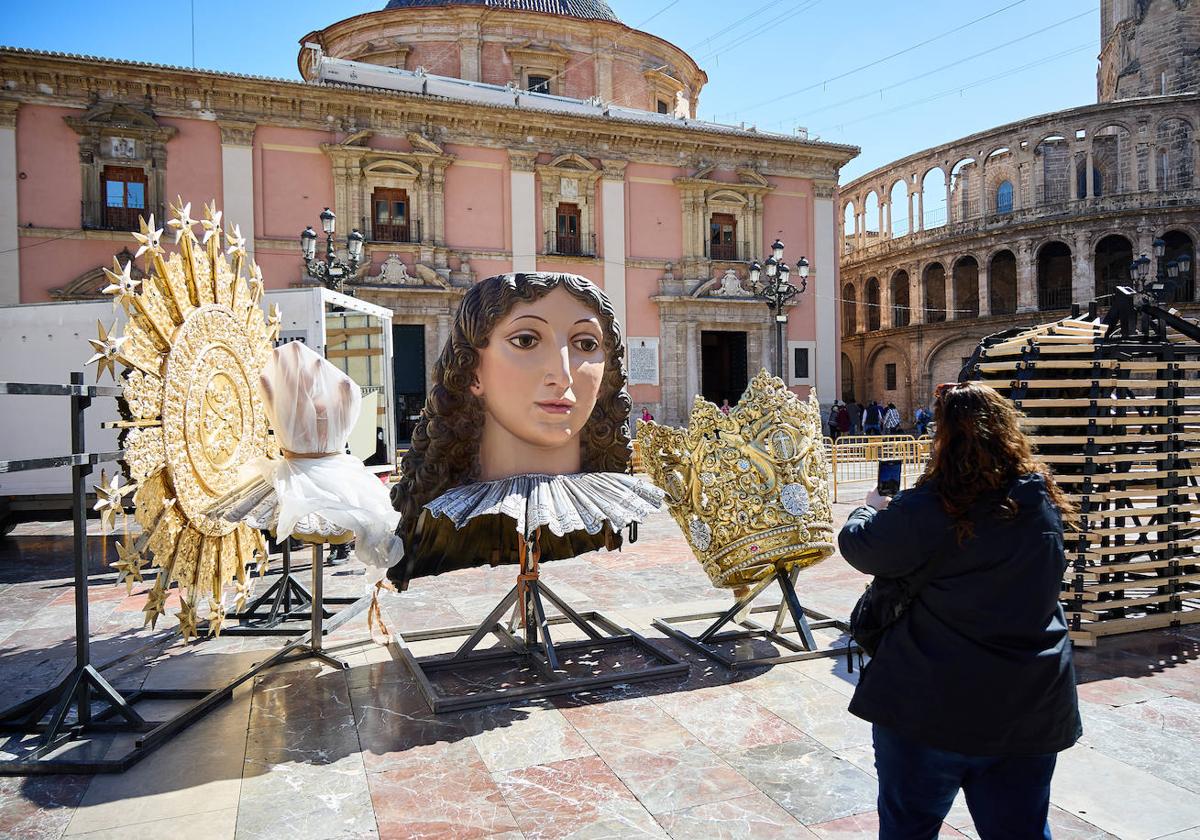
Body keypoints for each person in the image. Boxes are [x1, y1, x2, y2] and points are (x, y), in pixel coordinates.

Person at [838, 382, 1080, 839]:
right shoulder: (1039, 502)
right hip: (1025, 703)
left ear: (942, 439)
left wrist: (865, 511)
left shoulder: (932, 507)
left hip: (930, 705)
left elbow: (860, 547)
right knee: (1022, 829)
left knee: (909, 828)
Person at [389, 272, 634, 589]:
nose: (562, 376)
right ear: (473, 371)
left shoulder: (604, 504)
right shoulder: (442, 520)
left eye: (586, 344)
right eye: (526, 340)